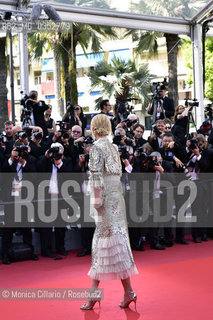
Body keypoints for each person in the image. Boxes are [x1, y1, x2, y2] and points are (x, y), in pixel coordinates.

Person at [80, 114, 138, 310]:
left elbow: (95, 176)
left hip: (105, 200)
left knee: (101, 245)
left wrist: (96, 201)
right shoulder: (113, 147)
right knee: (117, 244)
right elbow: (118, 174)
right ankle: (128, 291)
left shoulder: (97, 147)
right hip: (117, 199)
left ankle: (95, 295)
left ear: (94, 128)